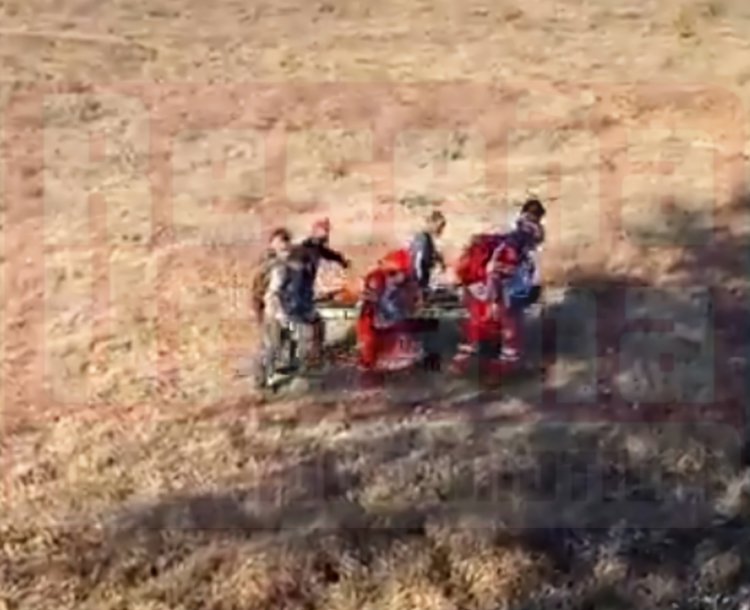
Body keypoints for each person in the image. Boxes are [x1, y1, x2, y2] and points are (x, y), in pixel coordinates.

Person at [451, 199, 546, 374]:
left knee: (480, 323)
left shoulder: (509, 230)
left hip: (479, 284)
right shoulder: (521, 236)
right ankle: (503, 367)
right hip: (502, 289)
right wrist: (495, 296)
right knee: (508, 325)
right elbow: (501, 266)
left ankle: (468, 362)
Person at [253, 228, 325, 389]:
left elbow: (297, 290)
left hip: (290, 311)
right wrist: (279, 313)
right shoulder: (277, 268)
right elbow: (272, 294)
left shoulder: (295, 263)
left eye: (286, 243)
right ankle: (262, 379)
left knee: (290, 343)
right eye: (280, 244)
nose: (285, 248)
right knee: (273, 346)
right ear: (273, 245)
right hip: (276, 313)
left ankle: (286, 374)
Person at [355, 249, 424, 374]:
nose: (389, 278)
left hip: (395, 327)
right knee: (368, 360)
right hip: (373, 325)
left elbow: (402, 314)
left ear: (404, 273)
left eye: (392, 274)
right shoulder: (375, 278)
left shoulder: (409, 288)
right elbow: (364, 308)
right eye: (386, 273)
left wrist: (380, 301)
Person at [408, 210, 447, 297]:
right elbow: (417, 261)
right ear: (433, 223)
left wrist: (439, 259)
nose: (440, 230)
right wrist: (419, 283)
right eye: (439, 226)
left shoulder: (427, 238)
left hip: (423, 277)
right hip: (419, 279)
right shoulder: (422, 238)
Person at [300, 217, 350, 282]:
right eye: (326, 230)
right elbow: (325, 253)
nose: (327, 234)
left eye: (327, 230)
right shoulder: (314, 245)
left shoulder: (310, 243)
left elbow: (326, 252)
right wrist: (340, 259)